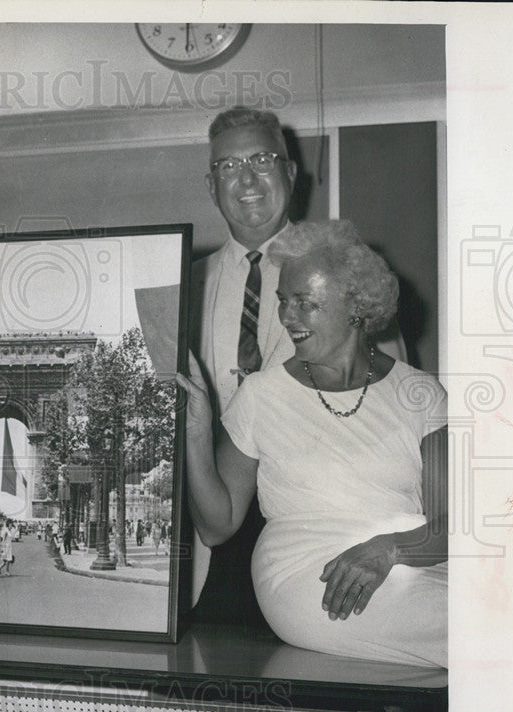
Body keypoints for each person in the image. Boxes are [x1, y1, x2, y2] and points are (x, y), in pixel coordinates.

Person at [177, 220, 447, 667]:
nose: (286, 317)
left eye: (305, 302)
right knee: (484, 623)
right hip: (314, 575)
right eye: (284, 301)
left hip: (407, 559)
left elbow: (452, 525)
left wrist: (391, 548)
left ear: (356, 307)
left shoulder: (420, 392)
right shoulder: (261, 395)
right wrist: (196, 431)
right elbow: (216, 524)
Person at [188, 106, 407, 626]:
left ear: (290, 173)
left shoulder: (349, 274)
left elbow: (397, 409)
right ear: (210, 184)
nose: (246, 179)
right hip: (211, 537)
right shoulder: (184, 287)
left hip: (326, 543)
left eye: (262, 159)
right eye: (227, 166)